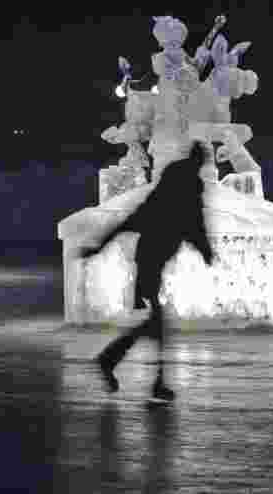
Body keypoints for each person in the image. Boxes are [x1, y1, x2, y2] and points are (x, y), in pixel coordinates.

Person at [80, 142, 216, 402]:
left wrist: (100, 245)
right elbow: (194, 222)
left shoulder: (163, 197)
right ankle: (127, 369)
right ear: (200, 162)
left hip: (149, 260)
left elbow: (135, 219)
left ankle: (117, 364)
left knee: (154, 325)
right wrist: (205, 249)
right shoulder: (186, 189)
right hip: (151, 263)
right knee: (157, 326)